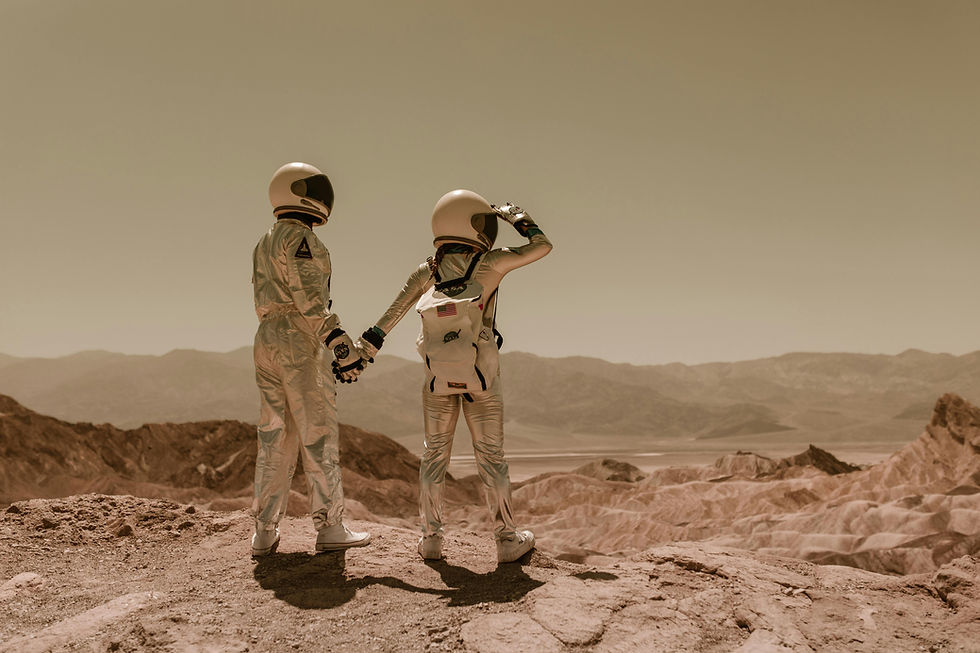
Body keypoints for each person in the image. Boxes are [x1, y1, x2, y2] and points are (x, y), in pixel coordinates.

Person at [354, 189, 552, 563]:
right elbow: (542, 246)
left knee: (433, 456)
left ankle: (431, 539)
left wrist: (363, 353)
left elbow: (388, 319)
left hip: (437, 378)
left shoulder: (426, 271)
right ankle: (506, 539)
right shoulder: (490, 263)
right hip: (482, 378)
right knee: (491, 457)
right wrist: (517, 217)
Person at [249, 161, 371, 557]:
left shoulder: (264, 241)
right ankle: (330, 526)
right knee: (317, 433)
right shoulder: (302, 238)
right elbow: (310, 300)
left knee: (275, 434)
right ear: (300, 193)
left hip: (266, 337)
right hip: (299, 339)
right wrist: (339, 343)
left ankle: (264, 530)